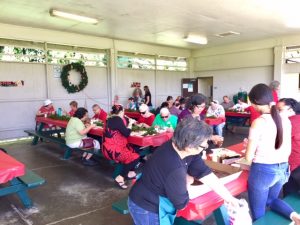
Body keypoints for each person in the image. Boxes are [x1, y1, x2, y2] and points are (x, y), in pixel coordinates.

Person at [128, 117, 239, 225]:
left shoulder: (180, 146)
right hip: (146, 207)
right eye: (203, 145)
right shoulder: (175, 168)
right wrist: (188, 182)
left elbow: (204, 172)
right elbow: (181, 204)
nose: (205, 146)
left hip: (149, 192)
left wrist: (229, 198)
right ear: (190, 145)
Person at [244, 83, 300, 223]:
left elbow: (249, 157)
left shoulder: (258, 122)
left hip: (263, 170)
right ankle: (294, 216)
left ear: (255, 103)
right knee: (272, 200)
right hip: (282, 168)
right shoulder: (285, 119)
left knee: (258, 211)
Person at [102, 104, 140, 189]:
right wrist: (130, 123)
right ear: (122, 111)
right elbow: (126, 133)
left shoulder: (110, 119)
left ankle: (130, 172)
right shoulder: (118, 119)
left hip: (107, 148)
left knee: (134, 149)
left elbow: (120, 130)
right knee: (136, 157)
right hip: (114, 150)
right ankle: (121, 177)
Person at [277, 98, 300, 197]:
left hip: (295, 165)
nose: (277, 112)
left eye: (280, 110)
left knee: (290, 193)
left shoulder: (291, 122)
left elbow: (276, 141)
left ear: (291, 110)